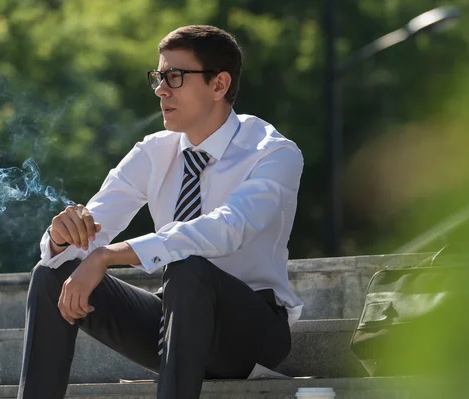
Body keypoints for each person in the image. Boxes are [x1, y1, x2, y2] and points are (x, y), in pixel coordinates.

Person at [16, 25, 304, 399]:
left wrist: (107, 255)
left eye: (175, 77)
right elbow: (92, 231)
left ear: (219, 85)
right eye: (158, 76)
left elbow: (228, 229)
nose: (160, 90)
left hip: (250, 332)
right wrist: (61, 239)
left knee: (187, 267)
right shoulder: (154, 151)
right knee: (52, 271)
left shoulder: (274, 153)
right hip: (176, 320)